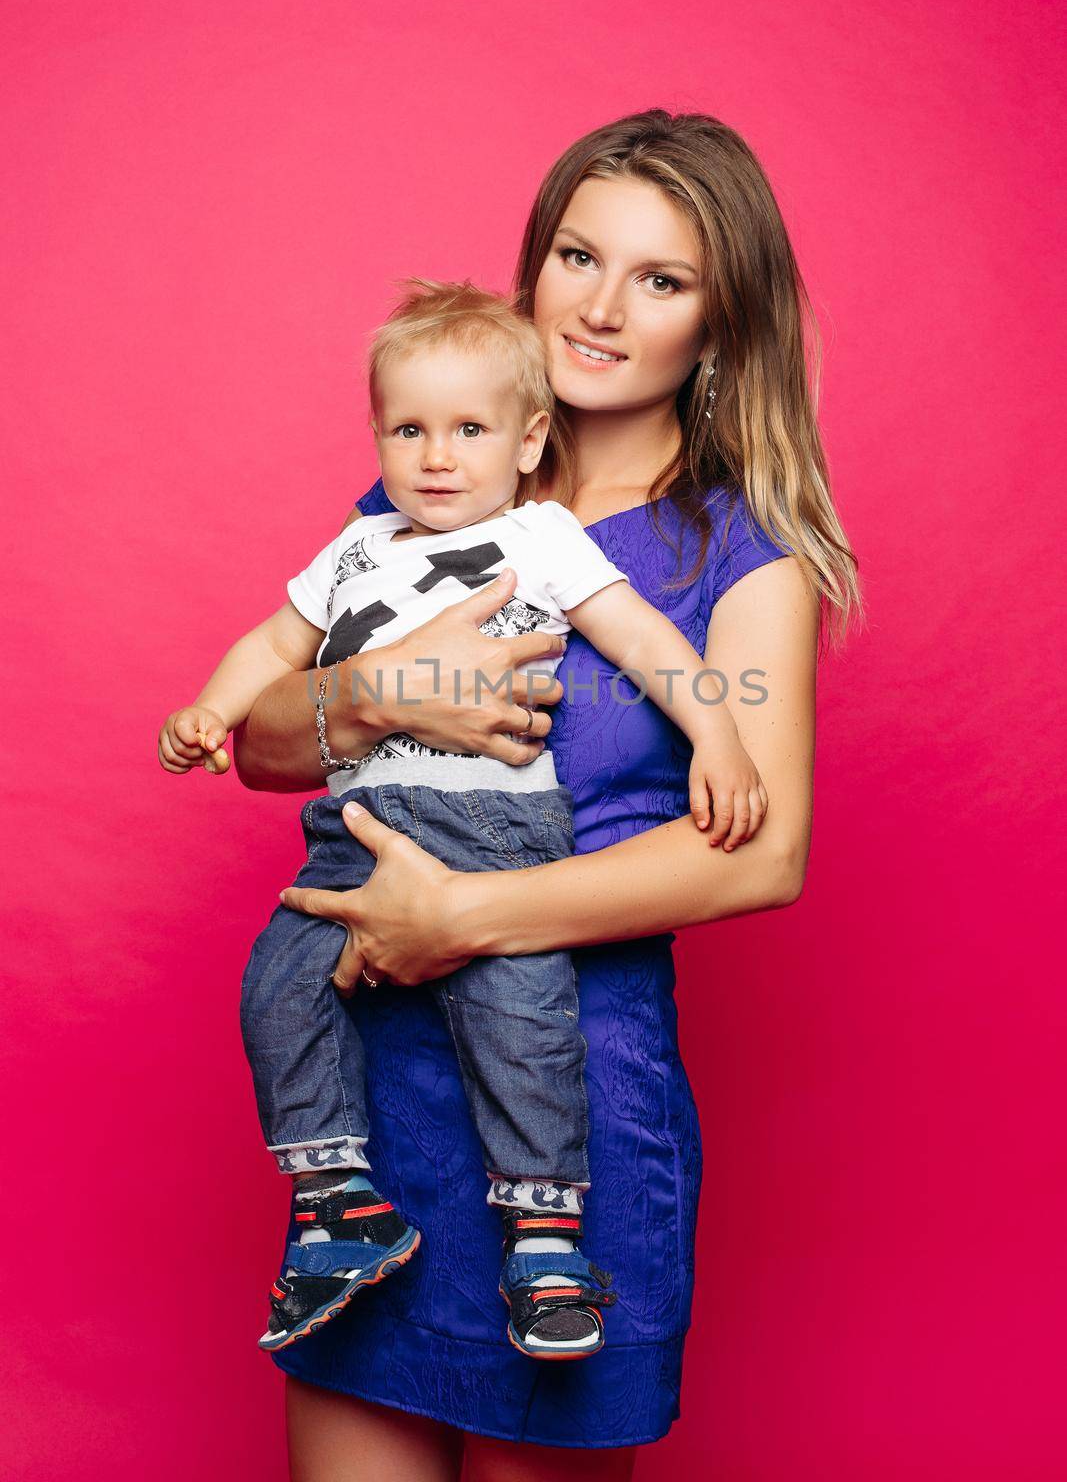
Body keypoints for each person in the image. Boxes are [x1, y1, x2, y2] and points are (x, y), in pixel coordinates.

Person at [232, 110, 858, 1478]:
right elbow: (262, 742)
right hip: (372, 1102)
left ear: (717, 326)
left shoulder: (739, 552)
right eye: (578, 253)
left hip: (569, 1103)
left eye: (659, 278)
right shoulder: (437, 482)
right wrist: (384, 691)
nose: (598, 304)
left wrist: (458, 913)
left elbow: (756, 858)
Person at [158, 279, 770, 1361]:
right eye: (409, 429)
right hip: (353, 835)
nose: (437, 457)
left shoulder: (539, 537)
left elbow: (645, 643)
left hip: (494, 830)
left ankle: (545, 1236)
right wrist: (212, 704)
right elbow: (268, 653)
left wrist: (718, 732)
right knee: (278, 985)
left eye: (469, 430)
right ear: (378, 436)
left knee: (521, 1016)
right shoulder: (356, 547)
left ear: (528, 442)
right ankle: (339, 1204)